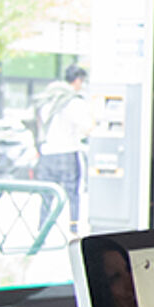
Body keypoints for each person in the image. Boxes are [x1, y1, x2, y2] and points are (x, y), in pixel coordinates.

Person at [33, 64, 93, 233]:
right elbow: (87, 127)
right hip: (67, 153)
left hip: (47, 154)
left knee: (47, 195)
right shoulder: (73, 102)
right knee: (72, 193)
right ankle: (73, 228)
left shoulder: (47, 100)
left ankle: (42, 229)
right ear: (78, 80)